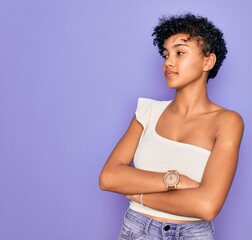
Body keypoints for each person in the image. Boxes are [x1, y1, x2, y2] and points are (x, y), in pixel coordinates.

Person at [99, 13, 244, 240]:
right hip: (137, 231)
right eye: (166, 54)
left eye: (180, 53)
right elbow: (109, 177)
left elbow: (206, 206)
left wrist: (139, 195)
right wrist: (176, 180)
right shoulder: (147, 112)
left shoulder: (227, 122)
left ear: (208, 61)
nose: (168, 62)